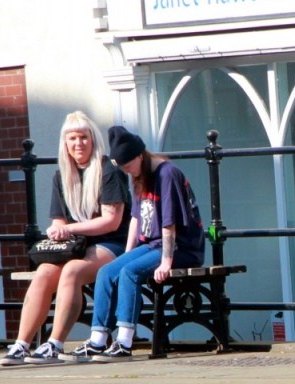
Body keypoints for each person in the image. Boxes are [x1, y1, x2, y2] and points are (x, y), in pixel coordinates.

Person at [59, 125, 205, 363]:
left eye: (128, 166)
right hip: (151, 245)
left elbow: (169, 223)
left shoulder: (166, 174)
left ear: (139, 156)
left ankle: (125, 341)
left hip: (179, 247)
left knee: (129, 272)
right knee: (108, 271)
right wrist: (126, 254)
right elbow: (135, 219)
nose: (128, 172)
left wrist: (167, 261)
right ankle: (98, 339)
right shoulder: (139, 175)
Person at [0, 111, 131, 366]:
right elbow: (58, 219)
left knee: (72, 271)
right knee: (45, 272)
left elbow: (111, 220)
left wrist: (70, 229)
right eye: (72, 138)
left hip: (112, 242)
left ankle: (54, 344)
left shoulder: (108, 171)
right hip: (77, 244)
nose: (78, 143)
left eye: (84, 137)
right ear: (65, 143)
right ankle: (22, 344)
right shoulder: (62, 176)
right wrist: (57, 230)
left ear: (93, 140)